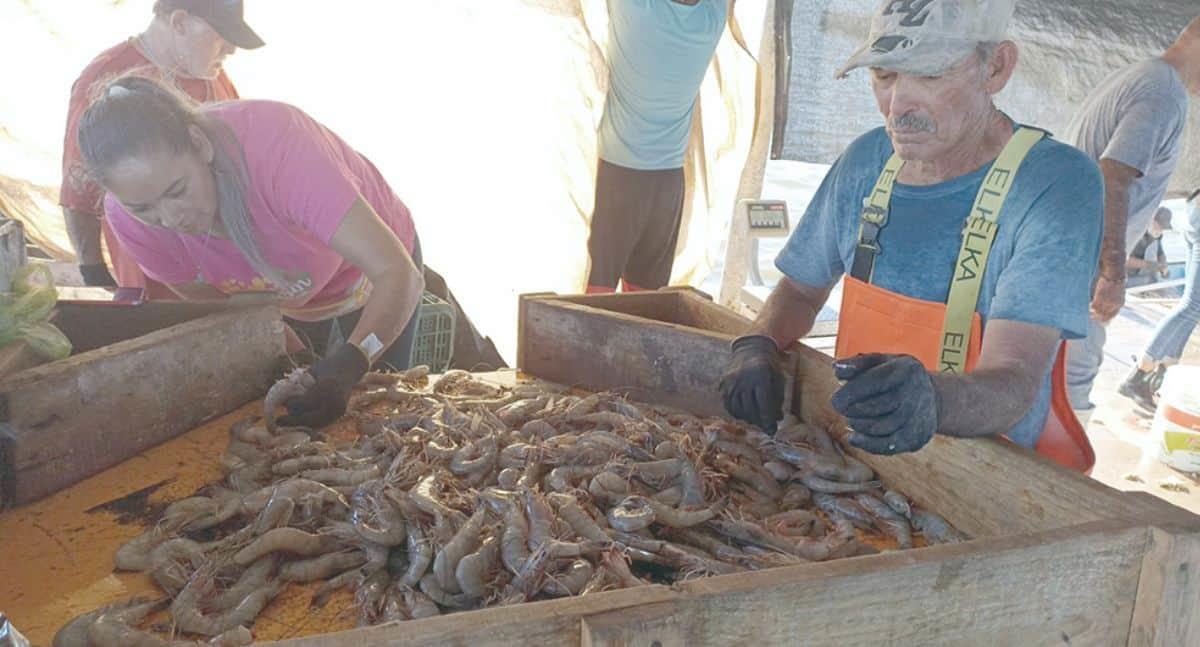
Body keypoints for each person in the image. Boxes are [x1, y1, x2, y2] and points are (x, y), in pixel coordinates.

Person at [718, 0, 1102, 471]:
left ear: (996, 68)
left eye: (930, 75)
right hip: (861, 454)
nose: (898, 105)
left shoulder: (1055, 183)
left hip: (989, 471)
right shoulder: (865, 161)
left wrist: (933, 400)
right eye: (884, 75)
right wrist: (758, 342)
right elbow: (800, 290)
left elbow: (1015, 381)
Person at [76, 75, 496, 428]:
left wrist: (353, 361)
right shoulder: (128, 221)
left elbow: (398, 274)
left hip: (370, 275)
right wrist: (290, 353)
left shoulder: (279, 148)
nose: (170, 218)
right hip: (289, 292)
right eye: (143, 207)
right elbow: (225, 307)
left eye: (177, 191)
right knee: (302, 408)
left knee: (378, 404)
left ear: (199, 145)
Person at [60, 0, 263, 296]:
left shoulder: (215, 78)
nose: (231, 49)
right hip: (153, 279)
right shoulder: (106, 79)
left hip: (228, 273)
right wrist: (94, 274)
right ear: (179, 21)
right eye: (222, 34)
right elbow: (79, 190)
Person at [1063, 16, 1200, 419]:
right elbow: (1113, 176)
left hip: (1068, 255)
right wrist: (1113, 275)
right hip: (1080, 266)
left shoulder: (1143, 76)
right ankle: (1056, 478)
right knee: (1071, 387)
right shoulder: (1162, 92)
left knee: (1052, 380)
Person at [585, 0, 728, 294]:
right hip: (668, 186)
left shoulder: (636, 8)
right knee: (644, 302)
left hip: (619, 178)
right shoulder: (712, 19)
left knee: (594, 300)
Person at [1120, 192, 1200, 412]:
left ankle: (1160, 372)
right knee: (1192, 305)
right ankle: (1139, 374)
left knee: (1194, 306)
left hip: (1195, 210)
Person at [1125, 207, 1172, 288]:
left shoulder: (1156, 235)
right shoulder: (1134, 231)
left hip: (1147, 280)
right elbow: (1123, 260)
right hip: (1128, 280)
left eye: (1163, 228)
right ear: (1151, 220)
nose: (1160, 229)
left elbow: (1160, 253)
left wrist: (1163, 265)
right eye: (1159, 225)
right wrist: (1150, 265)